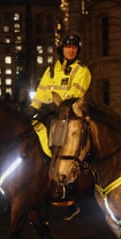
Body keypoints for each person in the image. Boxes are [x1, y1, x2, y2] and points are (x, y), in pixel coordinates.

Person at [27, 32, 92, 220]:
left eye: (74, 48)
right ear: (61, 49)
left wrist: (51, 107)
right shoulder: (51, 70)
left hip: (70, 115)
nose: (71, 50)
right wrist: (32, 109)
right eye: (67, 47)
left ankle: (65, 190)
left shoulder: (82, 70)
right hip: (50, 114)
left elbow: (73, 96)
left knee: (61, 147)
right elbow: (40, 93)